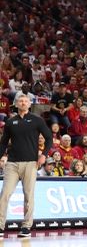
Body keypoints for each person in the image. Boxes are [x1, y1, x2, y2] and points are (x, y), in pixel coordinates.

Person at [0, 93, 52, 238]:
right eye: (20, 101)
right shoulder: (10, 122)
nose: (23, 103)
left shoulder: (37, 120)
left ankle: (26, 227)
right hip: (12, 163)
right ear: (16, 104)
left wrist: (44, 155)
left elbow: (49, 138)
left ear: (30, 104)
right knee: (4, 195)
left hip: (30, 163)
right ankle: (0, 226)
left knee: (29, 195)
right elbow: (4, 142)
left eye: (25, 101)